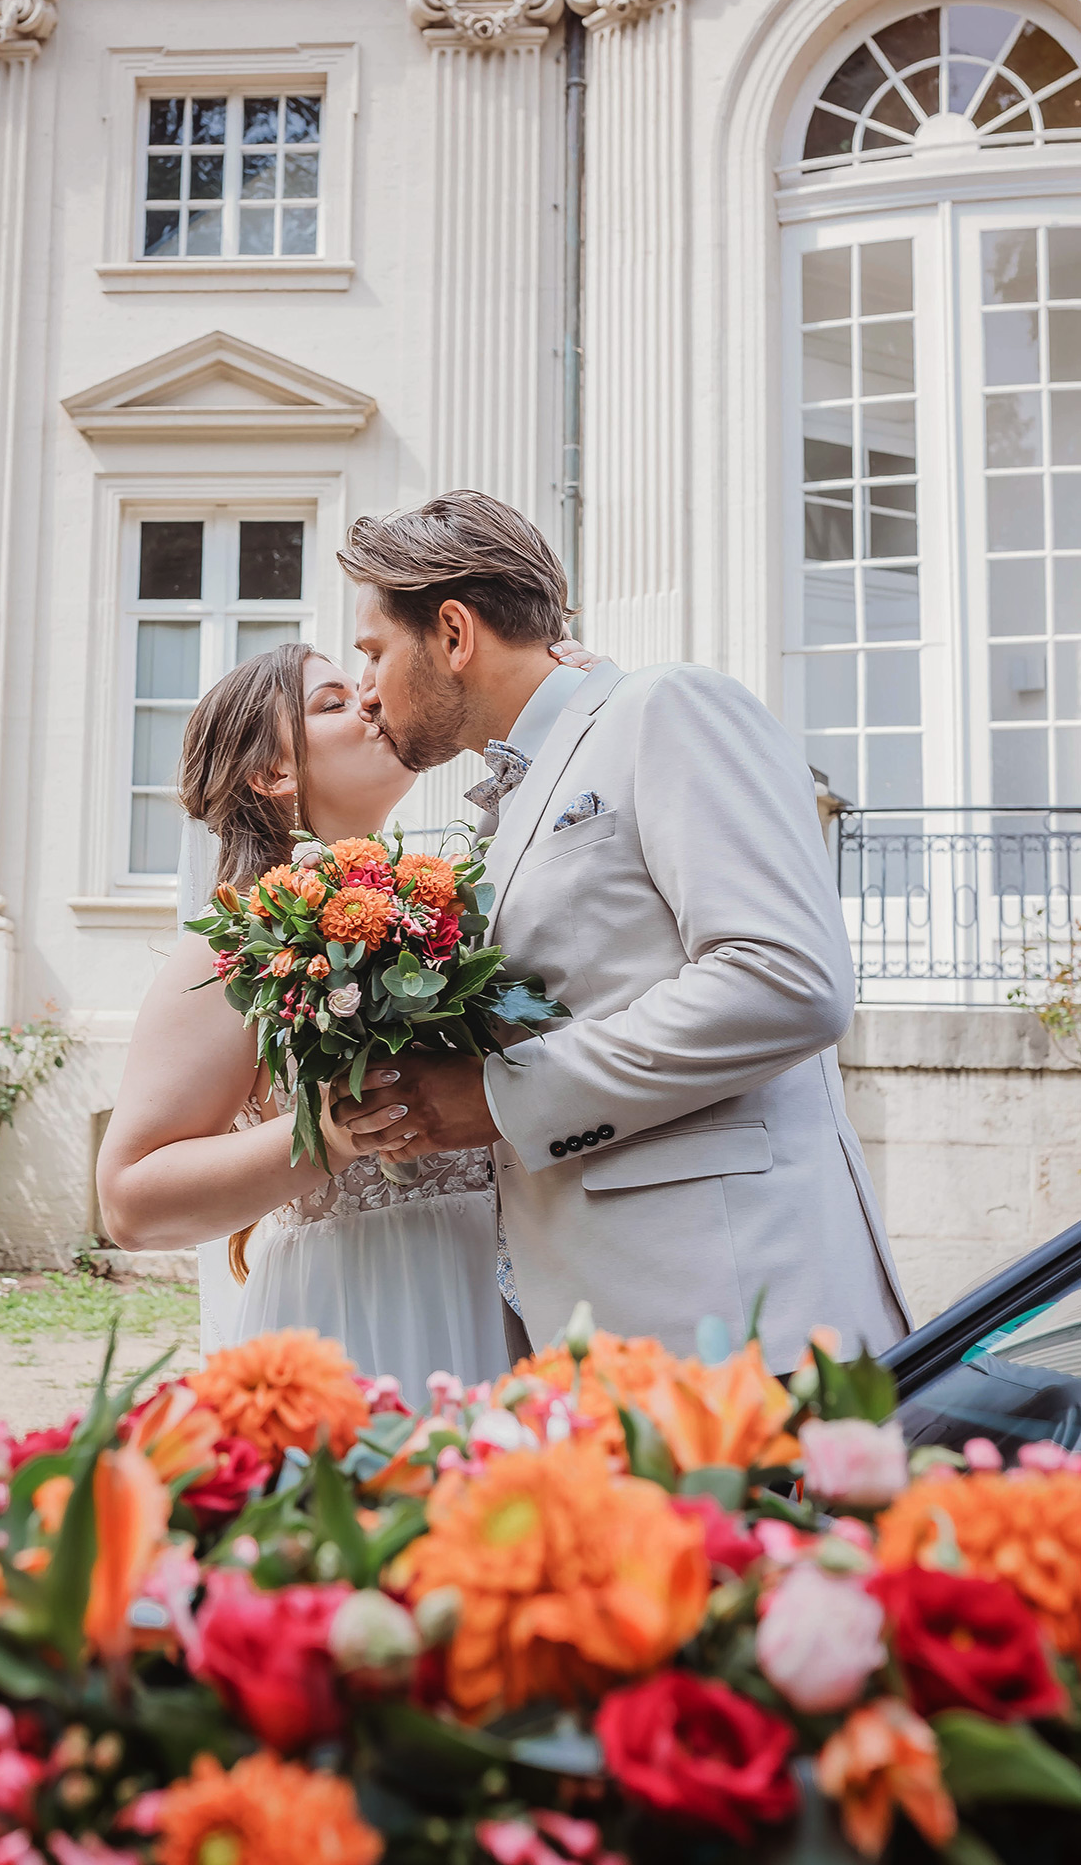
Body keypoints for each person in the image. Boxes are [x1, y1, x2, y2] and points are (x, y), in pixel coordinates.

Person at [327, 489, 912, 1374]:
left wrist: (494, 1098)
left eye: (373, 652)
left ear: (453, 633)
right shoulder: (506, 798)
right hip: (601, 1338)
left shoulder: (667, 707)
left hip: (749, 1327)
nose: (364, 691)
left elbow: (786, 980)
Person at [95, 638, 592, 1393]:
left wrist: (568, 705)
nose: (369, 702)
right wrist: (328, 1136)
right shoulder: (229, 953)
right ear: (274, 773)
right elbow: (130, 1202)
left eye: (362, 687)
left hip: (514, 1303)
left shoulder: (452, 908)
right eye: (331, 703)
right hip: (357, 1320)